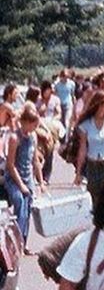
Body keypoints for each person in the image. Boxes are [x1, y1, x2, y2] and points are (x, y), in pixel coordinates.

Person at [3, 104, 46, 247]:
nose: (35, 127)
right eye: (34, 124)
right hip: (14, 178)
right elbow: (10, 165)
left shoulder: (33, 137)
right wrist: (21, 185)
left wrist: (40, 182)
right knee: (19, 203)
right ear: (25, 122)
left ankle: (24, 242)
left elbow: (35, 161)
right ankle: (16, 243)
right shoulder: (15, 138)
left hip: (28, 177)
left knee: (28, 208)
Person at [74, 90, 104, 207]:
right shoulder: (86, 124)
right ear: (99, 105)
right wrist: (79, 172)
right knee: (94, 199)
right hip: (93, 166)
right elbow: (83, 149)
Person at [54, 68, 76, 136]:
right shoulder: (57, 84)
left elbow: (72, 94)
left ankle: (67, 138)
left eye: (67, 77)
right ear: (61, 76)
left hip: (68, 104)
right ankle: (62, 137)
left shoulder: (71, 84)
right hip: (59, 104)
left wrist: (74, 104)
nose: (65, 79)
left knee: (67, 122)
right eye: (64, 77)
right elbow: (55, 94)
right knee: (61, 122)